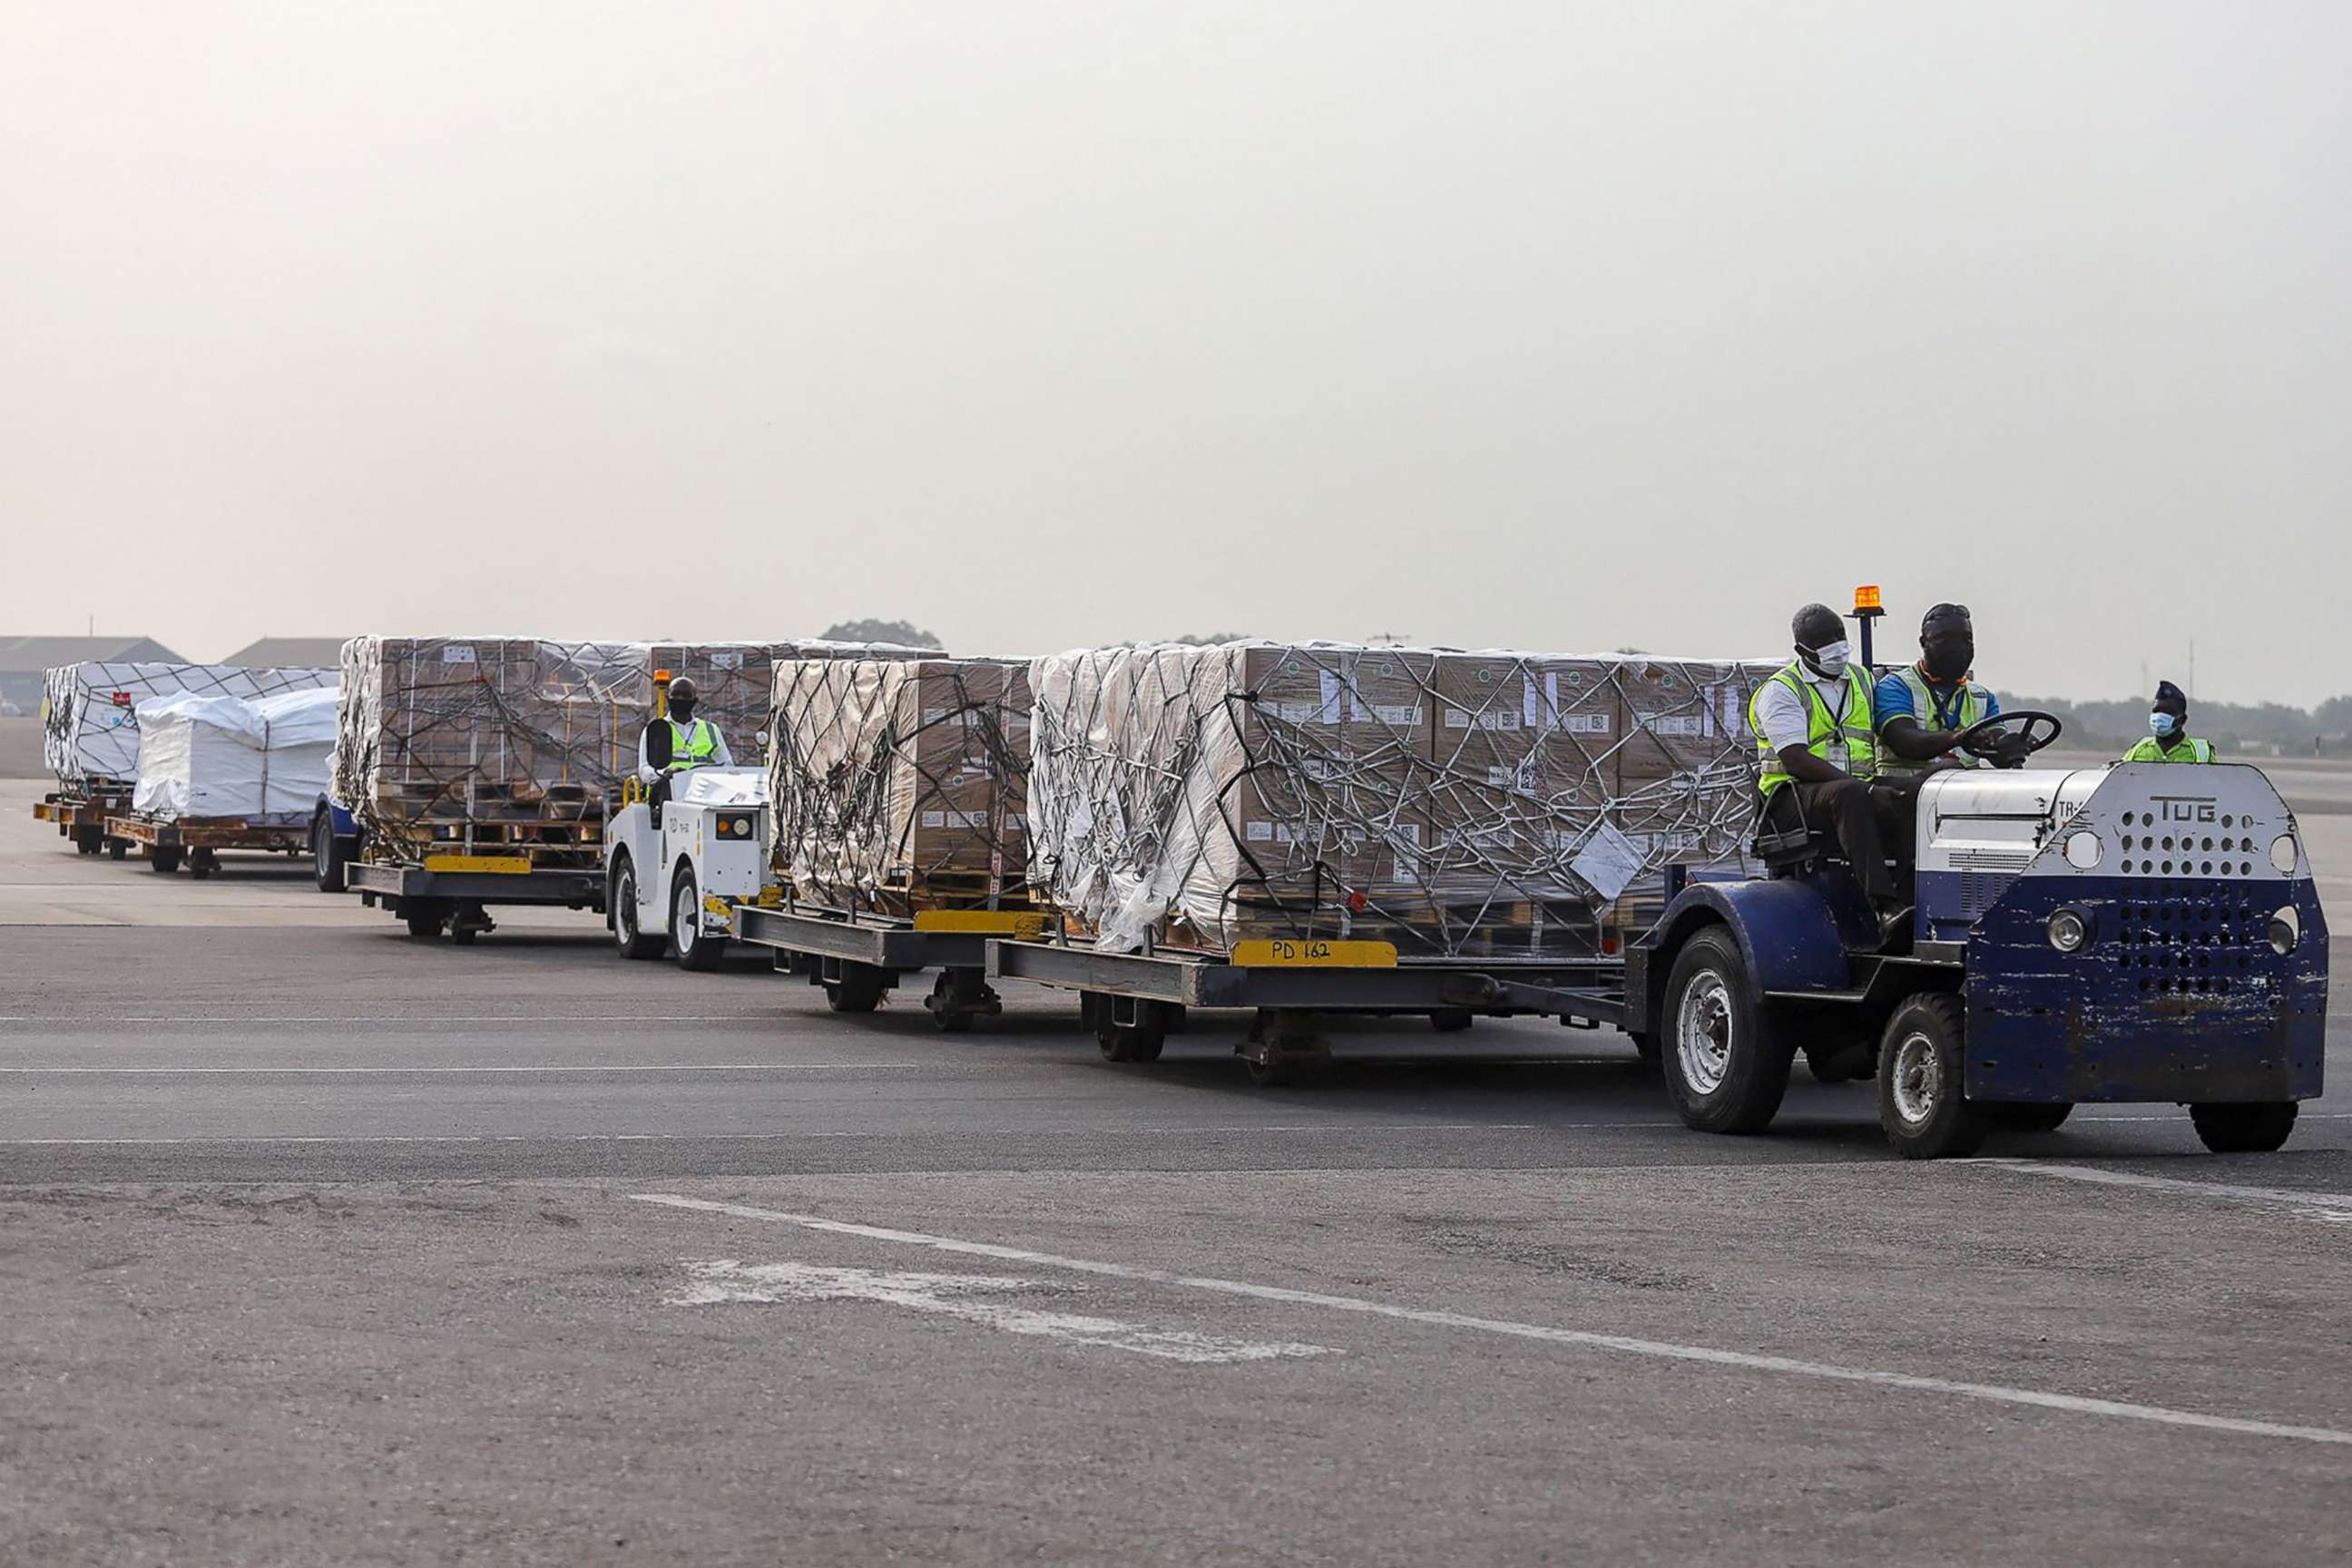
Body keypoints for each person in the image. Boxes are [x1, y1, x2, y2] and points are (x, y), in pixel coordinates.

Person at [1749, 603, 1908, 911]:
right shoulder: (1783, 690)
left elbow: (1891, 733)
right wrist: (1869, 790)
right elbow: (1795, 759)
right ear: (1802, 648)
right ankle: (1883, 906)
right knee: (1849, 794)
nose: (1836, 647)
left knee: (1916, 791)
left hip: (1848, 788)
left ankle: (1910, 892)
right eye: (1823, 641)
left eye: (1838, 634)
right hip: (1788, 797)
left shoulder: (1862, 680)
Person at [1875, 603, 2027, 773]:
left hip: (1962, 794)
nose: (1957, 647)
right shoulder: (1896, 686)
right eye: (1945, 638)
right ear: (1924, 642)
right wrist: (1957, 738)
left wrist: (2011, 745)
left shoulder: (1982, 697)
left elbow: (1997, 743)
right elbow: (1904, 742)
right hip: (1904, 792)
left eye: (1966, 639)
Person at [637, 675, 733, 822]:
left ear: (695, 700)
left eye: (686, 695)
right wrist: (665, 774)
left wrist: (707, 774)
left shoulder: (711, 730)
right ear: (668, 698)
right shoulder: (656, 729)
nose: (681, 699)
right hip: (667, 791)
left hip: (704, 791)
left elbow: (728, 767)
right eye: (676, 695)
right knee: (666, 788)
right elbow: (644, 769)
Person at [2121, 681, 2213, 763]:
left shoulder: (2202, 753)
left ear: (2182, 719)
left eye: (2168, 712)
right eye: (2156, 711)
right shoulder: (2138, 750)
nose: (2159, 716)